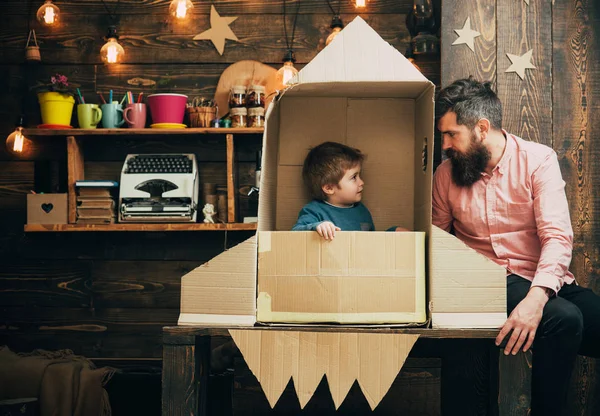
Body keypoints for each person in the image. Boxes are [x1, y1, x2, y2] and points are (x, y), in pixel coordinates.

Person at [432, 77, 600, 415]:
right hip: (484, 280)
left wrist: (536, 298)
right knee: (564, 320)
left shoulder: (538, 160)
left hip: (542, 278)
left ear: (481, 128)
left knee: (582, 318)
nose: (446, 144)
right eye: (443, 135)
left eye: (452, 135)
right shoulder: (446, 174)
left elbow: (556, 235)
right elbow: (439, 238)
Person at [292, 141, 375, 240]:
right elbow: (295, 233)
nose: (361, 182)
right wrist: (317, 227)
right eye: (354, 177)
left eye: (359, 176)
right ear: (329, 188)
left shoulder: (361, 210)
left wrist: (393, 232)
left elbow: (372, 240)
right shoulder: (315, 211)